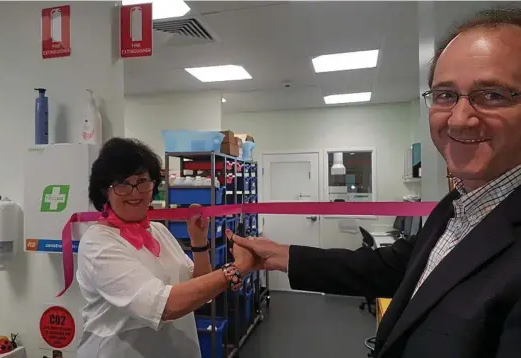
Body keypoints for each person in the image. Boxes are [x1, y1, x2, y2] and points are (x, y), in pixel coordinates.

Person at [229, 8, 521, 358]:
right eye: (444, 95)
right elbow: (391, 267)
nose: (459, 119)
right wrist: (280, 255)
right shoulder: (459, 204)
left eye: (492, 95)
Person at [75, 137, 255, 358]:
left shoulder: (158, 230)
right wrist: (237, 269)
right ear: (105, 191)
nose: (135, 192)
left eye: (142, 181)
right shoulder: (98, 244)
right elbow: (164, 306)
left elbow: (199, 287)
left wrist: (199, 243)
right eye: (122, 183)